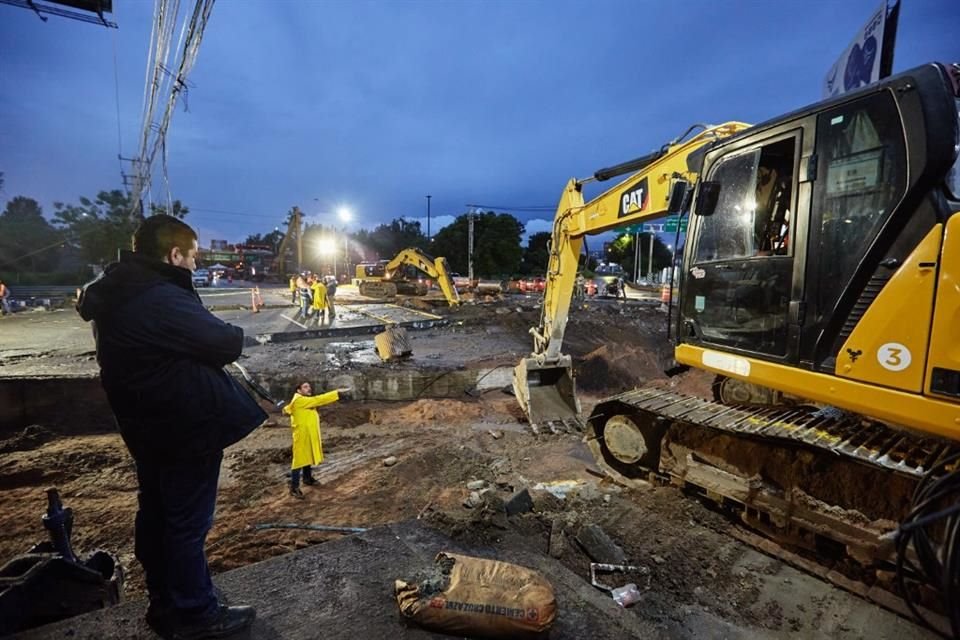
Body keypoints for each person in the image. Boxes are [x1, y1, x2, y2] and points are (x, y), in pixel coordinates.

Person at [76, 214, 263, 639]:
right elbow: (225, 341)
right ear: (174, 254)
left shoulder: (119, 292)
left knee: (158, 515)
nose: (194, 265)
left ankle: (164, 603)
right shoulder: (158, 296)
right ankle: (196, 613)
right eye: (192, 257)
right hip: (184, 428)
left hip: (148, 427)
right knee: (186, 524)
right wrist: (224, 330)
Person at [282, 381, 347, 498]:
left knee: (306, 455)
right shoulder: (300, 400)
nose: (309, 388)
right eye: (305, 387)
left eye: (309, 386)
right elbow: (318, 400)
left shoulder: (301, 400)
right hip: (302, 435)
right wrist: (336, 393)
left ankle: (307, 478)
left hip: (307, 434)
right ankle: (294, 487)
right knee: (298, 460)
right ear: (299, 390)